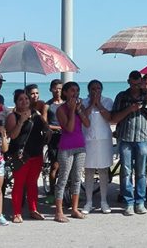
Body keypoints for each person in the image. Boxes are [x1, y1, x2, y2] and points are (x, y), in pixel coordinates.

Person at [111, 71, 147, 216]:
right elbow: (114, 118)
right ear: (128, 81)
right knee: (126, 172)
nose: (136, 87)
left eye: (139, 84)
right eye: (134, 83)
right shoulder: (121, 96)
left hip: (142, 137)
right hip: (125, 137)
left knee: (141, 172)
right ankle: (128, 202)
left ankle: (140, 201)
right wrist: (130, 109)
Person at [6, 91, 48, 223]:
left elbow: (45, 127)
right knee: (19, 184)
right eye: (20, 99)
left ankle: (33, 209)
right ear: (15, 102)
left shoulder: (36, 113)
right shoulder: (12, 116)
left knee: (32, 183)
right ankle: (17, 213)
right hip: (20, 155)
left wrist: (47, 128)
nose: (24, 101)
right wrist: (21, 121)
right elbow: (12, 136)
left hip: (36, 153)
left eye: (26, 99)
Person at [54, 82, 90, 223]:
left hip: (80, 146)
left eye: (77, 90)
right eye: (72, 90)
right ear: (65, 93)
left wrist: (78, 110)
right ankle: (59, 211)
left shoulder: (79, 108)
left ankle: (74, 209)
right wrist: (71, 110)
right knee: (63, 178)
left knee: (76, 178)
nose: (75, 93)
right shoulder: (61, 109)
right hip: (66, 147)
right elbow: (68, 128)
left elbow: (87, 124)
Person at [81, 80, 114, 214]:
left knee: (103, 171)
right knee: (88, 170)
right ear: (88, 90)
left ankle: (103, 201)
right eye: (93, 89)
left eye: (98, 88)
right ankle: (88, 201)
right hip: (88, 140)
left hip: (103, 140)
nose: (96, 91)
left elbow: (109, 118)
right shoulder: (83, 102)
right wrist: (91, 104)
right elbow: (84, 116)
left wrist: (98, 104)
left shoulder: (108, 101)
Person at [44, 79, 64, 204]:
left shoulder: (66, 104)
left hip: (66, 137)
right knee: (55, 166)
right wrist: (58, 128)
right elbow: (45, 124)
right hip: (54, 137)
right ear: (51, 89)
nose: (58, 91)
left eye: (60, 88)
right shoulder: (47, 105)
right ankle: (51, 192)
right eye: (56, 88)